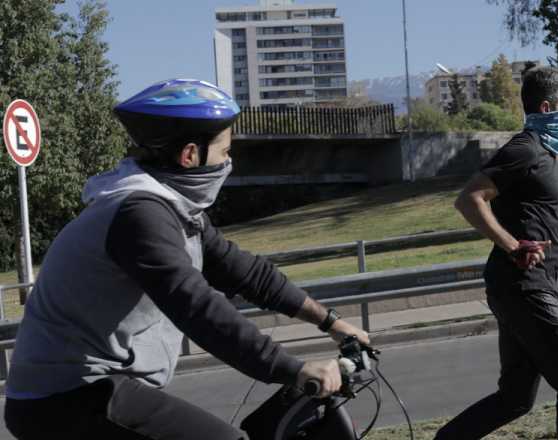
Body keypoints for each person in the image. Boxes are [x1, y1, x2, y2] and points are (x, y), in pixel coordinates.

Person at [4, 79, 368, 440]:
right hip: (63, 397)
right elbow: (196, 305)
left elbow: (244, 272)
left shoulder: (175, 211)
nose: (229, 161)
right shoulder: (139, 213)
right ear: (190, 155)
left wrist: (332, 323)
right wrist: (293, 369)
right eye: (225, 151)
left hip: (96, 388)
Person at [435, 67, 558, 440]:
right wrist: (512, 246)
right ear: (546, 107)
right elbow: (469, 199)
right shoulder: (523, 149)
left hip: (521, 286)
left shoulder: (544, 155)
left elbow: (528, 220)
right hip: (525, 287)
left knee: (516, 397)